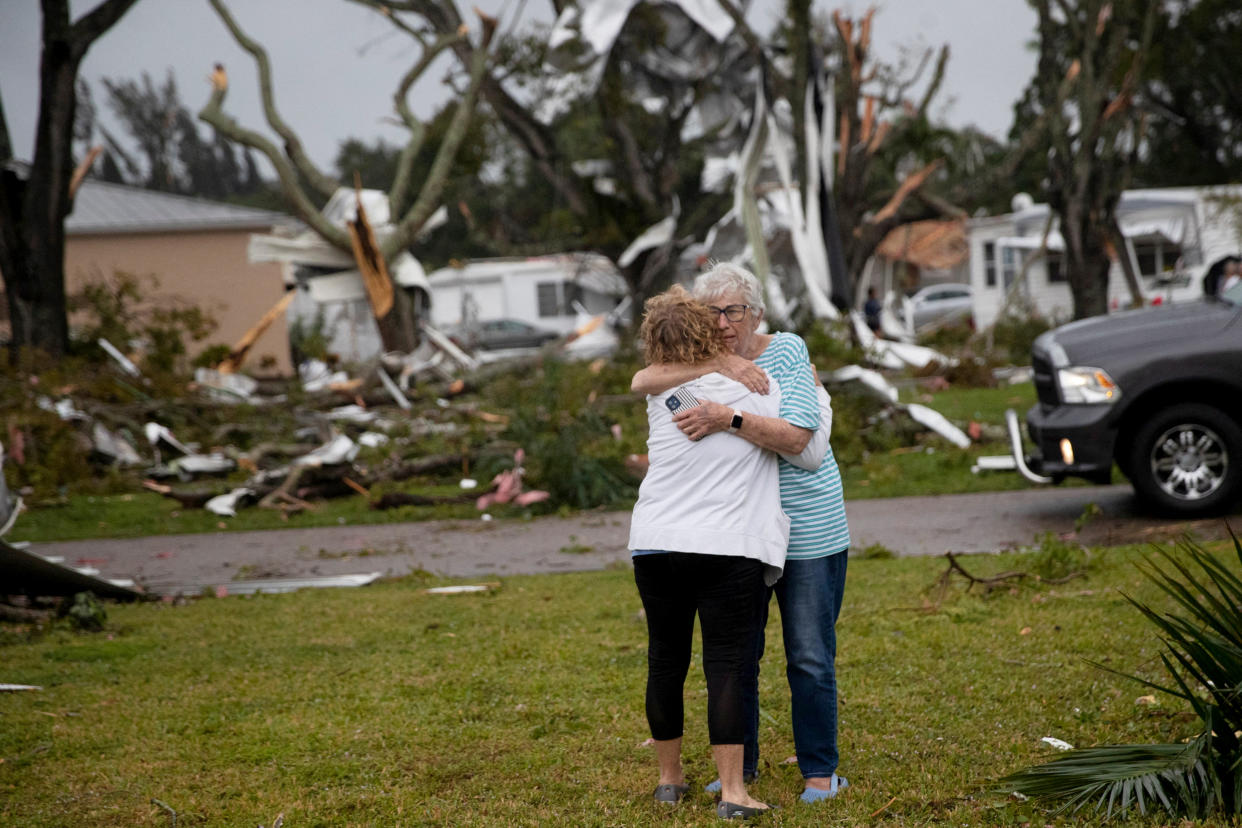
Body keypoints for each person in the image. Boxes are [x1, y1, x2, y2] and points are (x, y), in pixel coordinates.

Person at [632, 262, 851, 805]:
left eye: (735, 310)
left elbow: (806, 445)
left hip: (804, 530)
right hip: (739, 536)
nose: (725, 321)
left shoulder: (786, 352)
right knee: (738, 655)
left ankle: (819, 773)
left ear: (756, 313)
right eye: (713, 313)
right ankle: (740, 772)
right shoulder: (690, 367)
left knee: (806, 654)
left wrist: (728, 417)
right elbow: (643, 379)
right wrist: (720, 366)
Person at [628, 285, 791, 820]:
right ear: (708, 333)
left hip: (654, 542)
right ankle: (733, 793)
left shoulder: (661, 395)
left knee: (665, 659)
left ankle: (669, 780)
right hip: (725, 544)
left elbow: (646, 376)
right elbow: (798, 438)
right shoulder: (751, 388)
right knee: (725, 665)